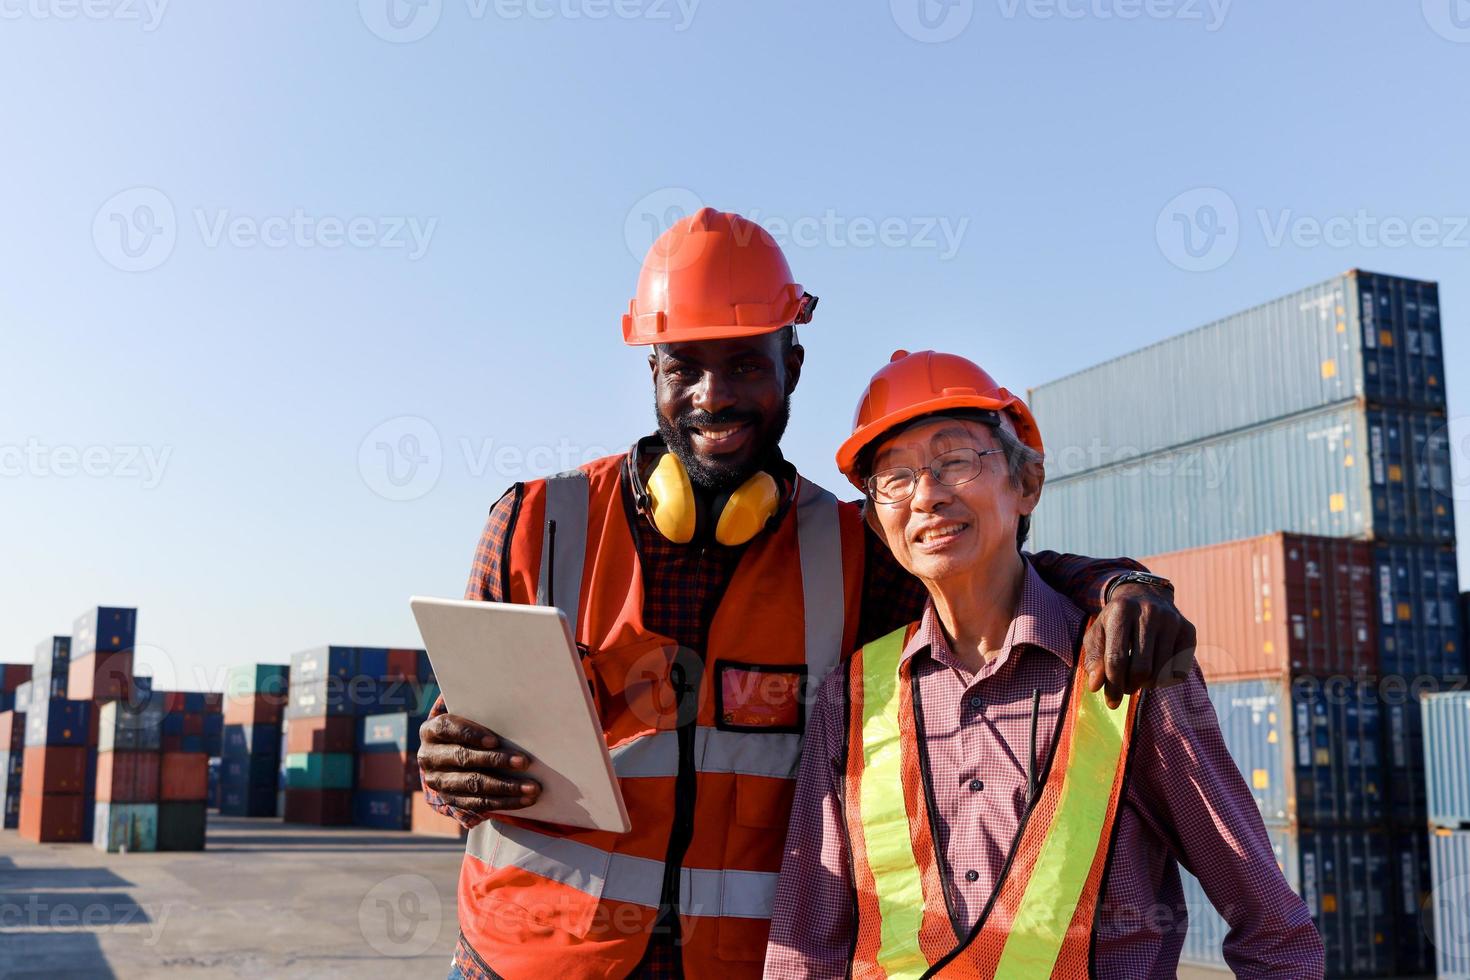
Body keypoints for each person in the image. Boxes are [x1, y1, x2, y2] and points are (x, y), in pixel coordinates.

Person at [416, 209, 1198, 980]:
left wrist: (1120, 586)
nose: (713, 396)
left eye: (746, 365)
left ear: (792, 366)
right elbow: (462, 751)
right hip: (523, 965)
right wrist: (445, 772)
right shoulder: (535, 526)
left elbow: (989, 574)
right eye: (685, 365)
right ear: (652, 371)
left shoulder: (858, 555)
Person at [763, 349, 1324, 980]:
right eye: (895, 478)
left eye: (955, 462)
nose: (926, 496)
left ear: (1026, 485)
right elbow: (805, 948)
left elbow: (1275, 933)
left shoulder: (1131, 671)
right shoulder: (852, 697)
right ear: (875, 520)